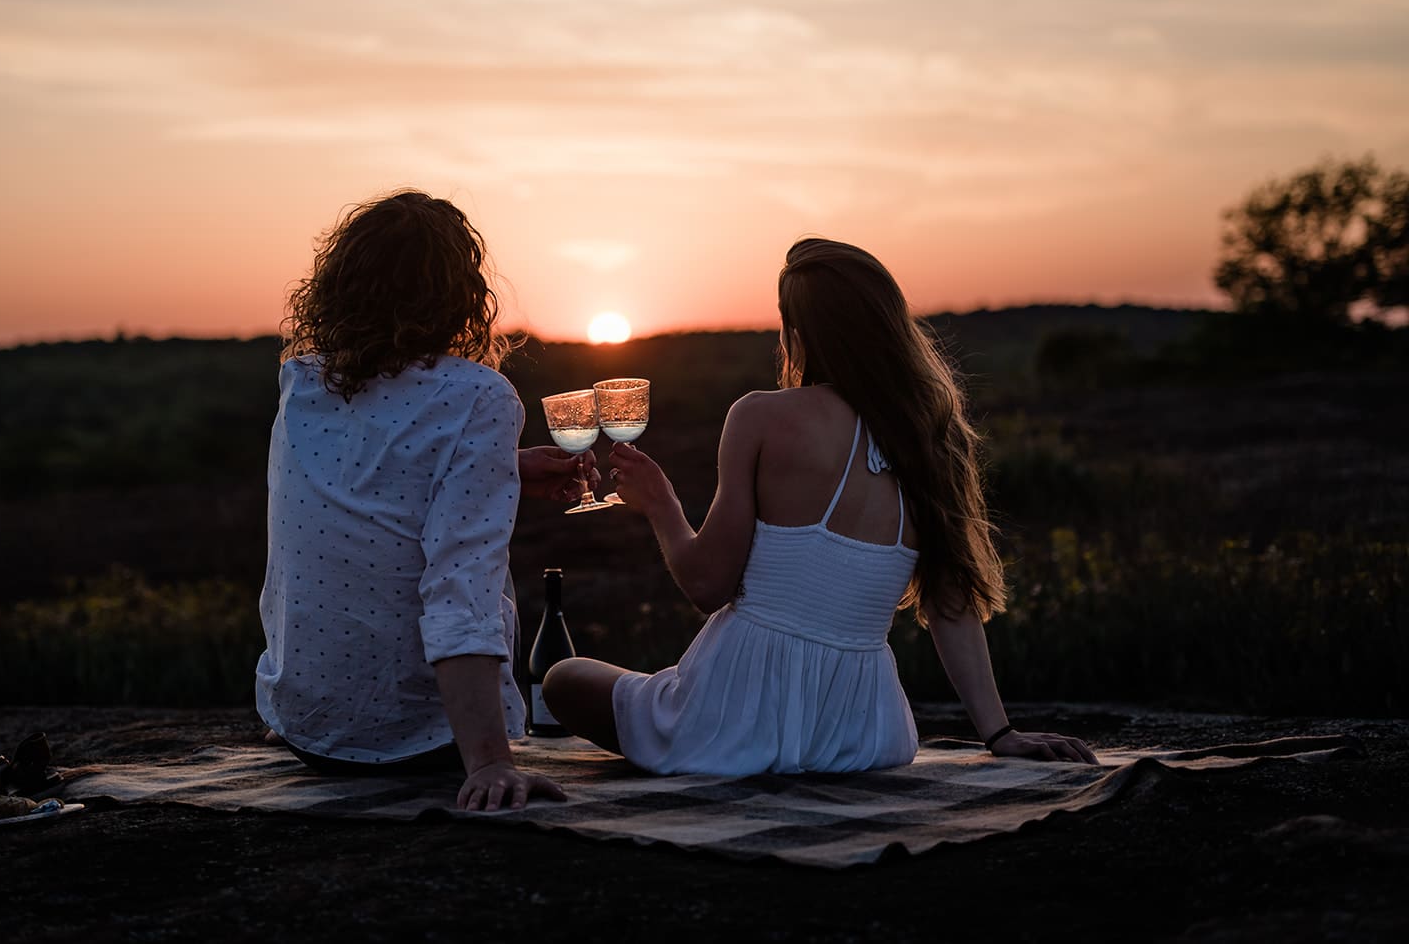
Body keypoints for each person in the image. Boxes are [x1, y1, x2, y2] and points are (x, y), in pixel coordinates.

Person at [542, 237, 1099, 775]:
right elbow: (951, 602)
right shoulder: (932, 434)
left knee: (564, 679)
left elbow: (707, 585)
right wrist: (1000, 733)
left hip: (733, 724)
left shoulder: (759, 415)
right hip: (867, 734)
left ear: (797, 329)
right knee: (642, 681)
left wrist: (660, 502)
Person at [254, 189, 585, 811]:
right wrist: (488, 763)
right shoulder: (478, 396)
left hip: (306, 727)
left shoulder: (301, 384)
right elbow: (460, 586)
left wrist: (502, 468)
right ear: (461, 294)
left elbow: (355, 497)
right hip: (422, 742)